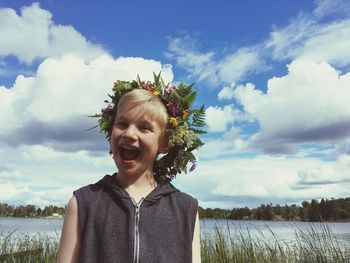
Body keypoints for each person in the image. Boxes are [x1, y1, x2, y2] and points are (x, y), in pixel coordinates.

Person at [57, 74, 206, 263]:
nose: (129, 133)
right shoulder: (83, 203)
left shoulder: (186, 209)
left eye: (144, 128)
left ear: (165, 143)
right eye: (122, 124)